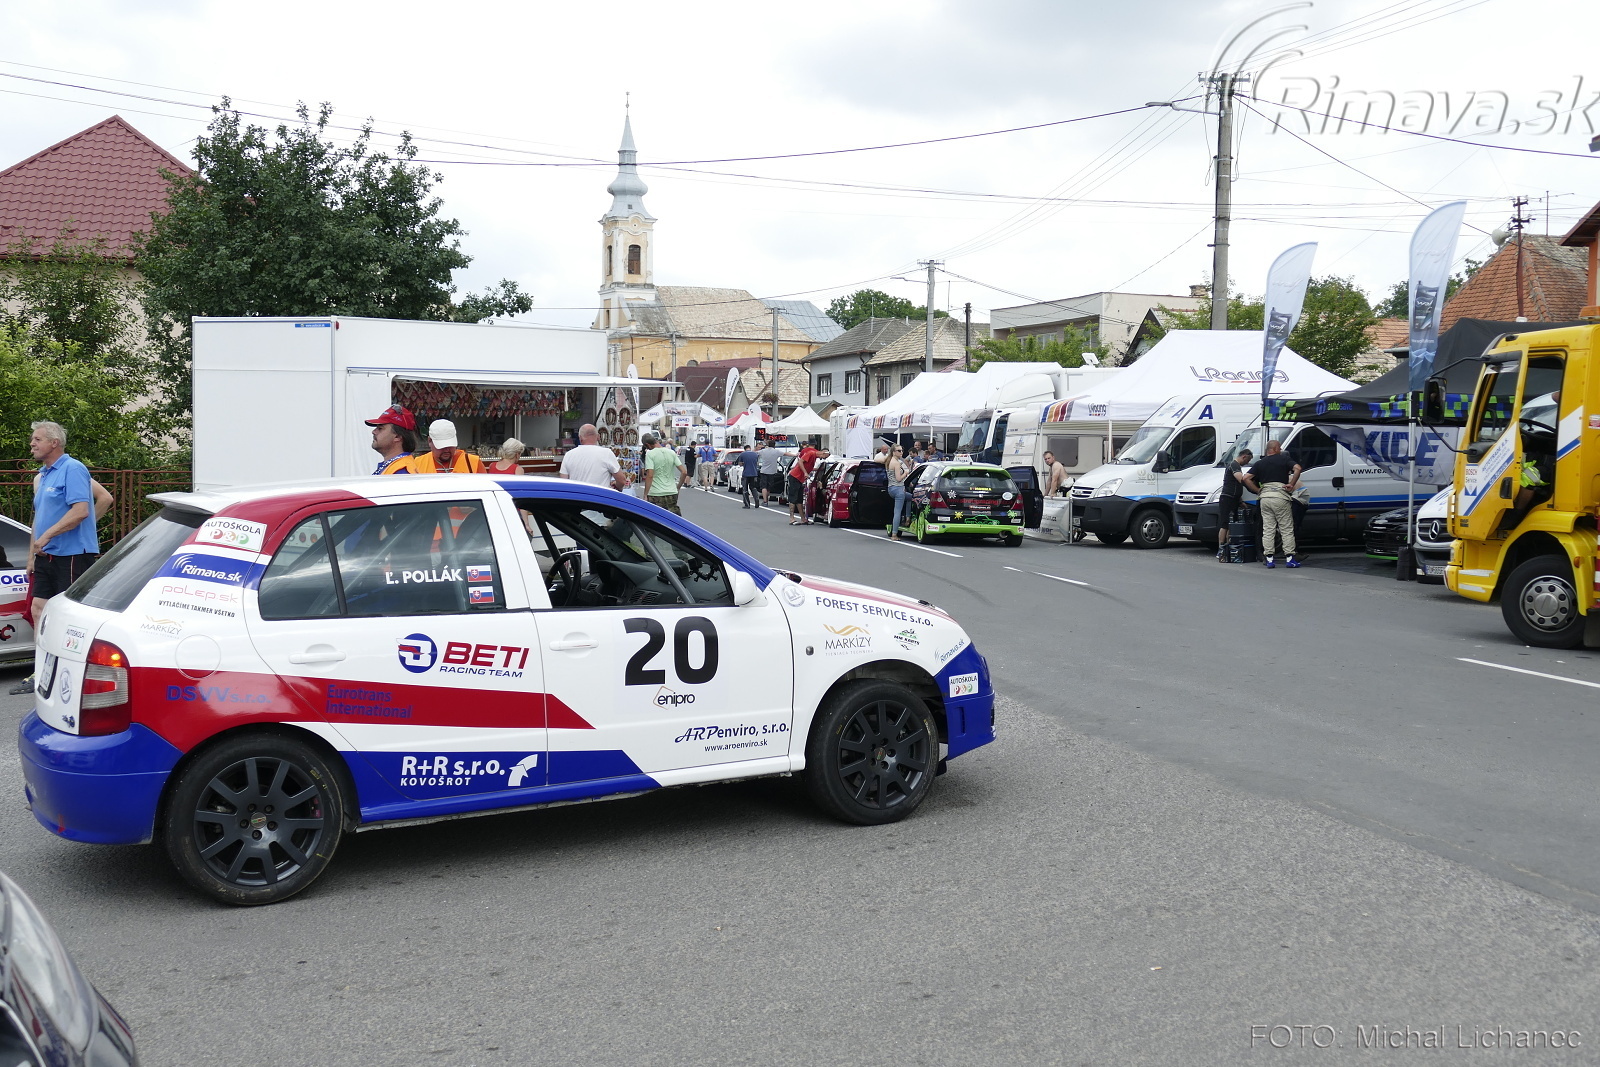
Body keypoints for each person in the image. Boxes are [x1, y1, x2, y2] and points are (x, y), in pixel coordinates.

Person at [10, 422, 103, 694]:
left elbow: (81, 511)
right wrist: (32, 554)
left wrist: (48, 535)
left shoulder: (73, 468)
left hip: (72, 554)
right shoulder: (44, 474)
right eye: (32, 439)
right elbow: (39, 519)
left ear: (54, 443)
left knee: (69, 616)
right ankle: (41, 671)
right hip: (45, 555)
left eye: (37, 439)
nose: (32, 444)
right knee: (38, 609)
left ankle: (72, 673)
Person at [1242, 440, 1302, 568]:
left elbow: (1246, 478)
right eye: (1279, 448)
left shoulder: (1260, 463)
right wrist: (1291, 484)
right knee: (1286, 528)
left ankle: (1269, 559)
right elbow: (1298, 468)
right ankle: (1290, 558)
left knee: (1268, 528)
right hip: (1280, 496)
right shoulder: (1284, 459)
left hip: (1265, 497)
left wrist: (1257, 490)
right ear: (1275, 449)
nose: (1281, 450)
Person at [394, 419, 486, 474]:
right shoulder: (417, 464)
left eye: (450, 445)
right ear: (430, 441)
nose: (446, 450)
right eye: (441, 446)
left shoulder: (473, 463)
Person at [558, 423, 627, 490]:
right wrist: (617, 487)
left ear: (580, 438)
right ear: (598, 437)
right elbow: (622, 480)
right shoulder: (606, 453)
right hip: (599, 497)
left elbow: (563, 483)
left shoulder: (569, 455)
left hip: (577, 497)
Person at [1215, 448, 1252, 560]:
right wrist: (1251, 483)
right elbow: (1241, 479)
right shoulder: (1234, 465)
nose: (1247, 463)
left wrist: (1240, 501)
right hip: (1227, 498)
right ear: (1244, 456)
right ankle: (1221, 548)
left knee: (1231, 525)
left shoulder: (1237, 466)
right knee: (1225, 524)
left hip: (1234, 499)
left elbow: (1236, 485)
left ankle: (1228, 547)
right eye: (1248, 460)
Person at [642, 432, 687, 515]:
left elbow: (650, 475)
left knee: (656, 519)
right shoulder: (671, 452)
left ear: (647, 445)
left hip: (655, 493)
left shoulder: (650, 454)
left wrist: (645, 494)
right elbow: (684, 472)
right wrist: (678, 487)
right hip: (672, 492)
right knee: (671, 518)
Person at [366, 404, 418, 474]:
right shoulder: (394, 466)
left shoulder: (402, 470)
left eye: (380, 428)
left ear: (397, 437)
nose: (373, 432)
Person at [788, 443, 822, 525]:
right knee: (793, 498)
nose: (823, 458)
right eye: (825, 456)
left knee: (799, 499)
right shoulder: (811, 453)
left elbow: (809, 467)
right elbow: (800, 462)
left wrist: (818, 470)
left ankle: (803, 519)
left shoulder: (814, 457)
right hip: (795, 477)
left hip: (800, 479)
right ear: (823, 453)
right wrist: (805, 472)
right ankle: (792, 518)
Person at [886, 444, 911, 540]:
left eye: (902, 450)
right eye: (899, 451)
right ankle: (894, 534)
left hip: (891, 488)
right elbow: (899, 478)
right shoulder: (896, 463)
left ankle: (907, 518)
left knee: (910, 498)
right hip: (898, 489)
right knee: (897, 512)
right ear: (893, 452)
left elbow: (877, 460)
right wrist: (905, 473)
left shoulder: (889, 460)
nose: (901, 452)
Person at [757, 439, 782, 506]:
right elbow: (786, 453)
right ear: (774, 445)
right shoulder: (776, 451)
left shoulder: (763, 451)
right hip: (772, 471)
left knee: (763, 487)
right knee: (768, 487)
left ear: (768, 445)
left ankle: (765, 501)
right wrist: (796, 454)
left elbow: (755, 453)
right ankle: (766, 499)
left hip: (764, 471)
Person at [737, 442, 761, 508]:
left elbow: (740, 463)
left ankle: (747, 504)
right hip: (754, 473)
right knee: (753, 487)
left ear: (745, 449)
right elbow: (757, 462)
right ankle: (757, 500)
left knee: (745, 489)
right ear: (750, 448)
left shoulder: (742, 454)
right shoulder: (755, 454)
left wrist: (743, 463)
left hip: (746, 474)